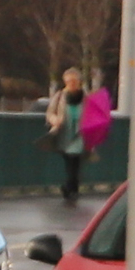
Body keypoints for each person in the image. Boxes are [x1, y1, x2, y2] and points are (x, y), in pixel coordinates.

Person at [46, 67, 91, 209]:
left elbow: (93, 113)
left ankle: (70, 188)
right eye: (69, 81)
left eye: (74, 81)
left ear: (79, 82)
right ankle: (71, 188)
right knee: (70, 160)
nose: (71, 83)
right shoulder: (60, 96)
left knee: (75, 159)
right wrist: (55, 120)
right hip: (65, 132)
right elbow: (50, 113)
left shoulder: (86, 97)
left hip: (80, 133)